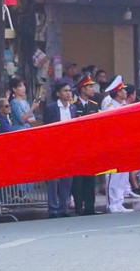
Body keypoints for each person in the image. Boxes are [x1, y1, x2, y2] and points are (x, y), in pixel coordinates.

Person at [44, 83, 77, 218]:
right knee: (53, 179)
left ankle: (63, 207)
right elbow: (46, 128)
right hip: (54, 147)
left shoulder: (73, 108)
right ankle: (53, 208)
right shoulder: (51, 108)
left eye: (69, 91)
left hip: (69, 147)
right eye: (65, 91)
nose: (68, 93)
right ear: (58, 93)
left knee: (67, 179)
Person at [101, 78, 133, 213]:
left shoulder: (124, 105)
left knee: (123, 174)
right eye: (123, 90)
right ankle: (111, 203)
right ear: (118, 93)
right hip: (112, 143)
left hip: (124, 143)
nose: (126, 92)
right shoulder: (109, 105)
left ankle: (119, 201)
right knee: (112, 175)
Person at [71, 76, 102, 215]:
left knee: (90, 178)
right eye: (89, 87)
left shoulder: (94, 105)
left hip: (91, 146)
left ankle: (90, 207)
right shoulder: (74, 105)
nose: (92, 89)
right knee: (78, 180)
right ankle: (79, 207)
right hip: (77, 147)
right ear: (83, 89)